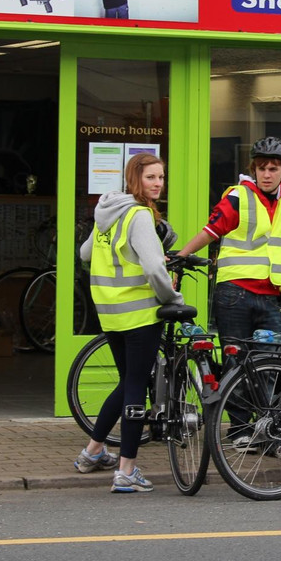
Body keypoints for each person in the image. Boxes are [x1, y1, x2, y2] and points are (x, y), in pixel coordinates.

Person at [175, 136, 281, 458]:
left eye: (273, 168)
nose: (267, 174)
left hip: (270, 294)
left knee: (274, 364)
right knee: (236, 364)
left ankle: (269, 431)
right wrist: (180, 256)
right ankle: (241, 430)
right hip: (234, 293)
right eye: (261, 168)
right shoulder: (238, 196)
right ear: (253, 170)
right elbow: (211, 231)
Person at [75, 152, 184, 493]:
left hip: (110, 312)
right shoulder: (137, 215)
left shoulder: (108, 213)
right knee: (137, 384)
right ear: (135, 179)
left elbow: (86, 254)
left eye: (161, 178)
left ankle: (91, 452)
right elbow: (153, 269)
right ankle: (127, 470)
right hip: (138, 313)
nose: (158, 184)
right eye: (151, 177)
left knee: (127, 383)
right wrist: (172, 298)